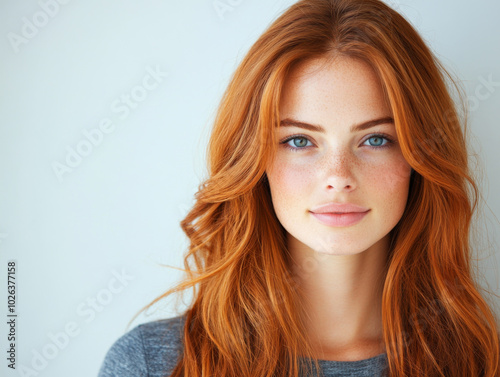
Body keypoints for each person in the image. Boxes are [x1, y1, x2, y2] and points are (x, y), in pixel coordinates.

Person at [97, 0, 500, 376]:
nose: (338, 175)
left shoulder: (481, 360)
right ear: (254, 161)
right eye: (299, 141)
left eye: (376, 139)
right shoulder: (152, 364)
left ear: (420, 158)